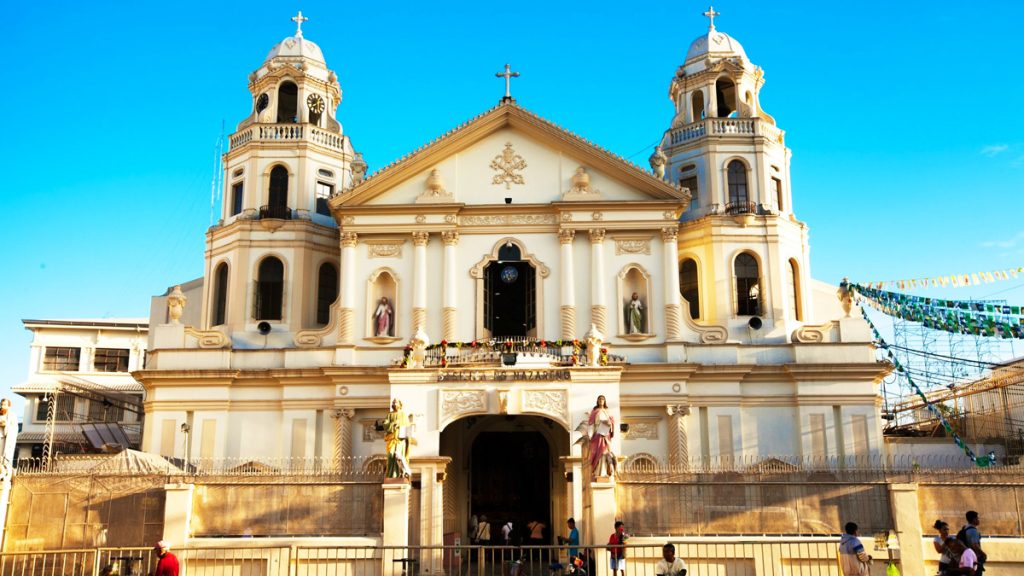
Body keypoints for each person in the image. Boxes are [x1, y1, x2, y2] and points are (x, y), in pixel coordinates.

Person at [588, 396, 616, 478]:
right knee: (597, 453)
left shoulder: (607, 412)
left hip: (606, 435)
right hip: (597, 435)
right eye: (600, 399)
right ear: (597, 401)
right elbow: (591, 424)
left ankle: (604, 472)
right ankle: (597, 472)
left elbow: (612, 423)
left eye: (603, 399)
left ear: (605, 401)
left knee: (605, 452)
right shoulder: (595, 412)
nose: (601, 401)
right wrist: (590, 435)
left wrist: (609, 423)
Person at [383, 398, 412, 478]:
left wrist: (399, 426)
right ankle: (391, 475)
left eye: (396, 402)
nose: (394, 403)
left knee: (398, 457)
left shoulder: (403, 415)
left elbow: (407, 427)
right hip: (392, 439)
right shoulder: (390, 415)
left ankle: (399, 474)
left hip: (400, 440)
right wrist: (393, 424)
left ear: (400, 404)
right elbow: (385, 424)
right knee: (390, 456)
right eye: (393, 402)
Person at [0, 398, 18, 479]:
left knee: (5, 458)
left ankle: (6, 475)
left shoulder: (12, 415)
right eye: (2, 404)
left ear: (9, 406)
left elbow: (14, 428)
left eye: (5, 405)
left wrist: (5, 425)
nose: (2, 406)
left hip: (7, 439)